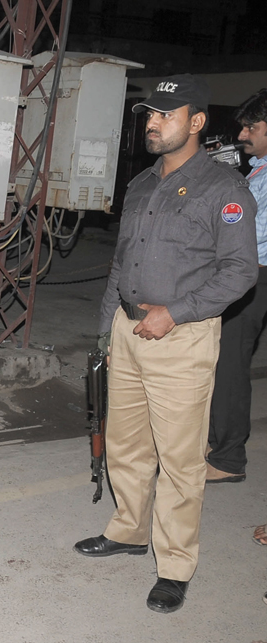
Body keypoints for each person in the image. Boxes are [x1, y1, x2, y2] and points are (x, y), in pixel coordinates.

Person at [74, 74, 258, 614]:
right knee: (126, 446)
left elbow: (240, 271)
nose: (152, 123)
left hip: (181, 338)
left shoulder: (224, 190)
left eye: (165, 114)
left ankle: (175, 565)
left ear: (196, 122)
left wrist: (174, 314)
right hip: (128, 334)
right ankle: (129, 531)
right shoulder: (141, 185)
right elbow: (120, 265)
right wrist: (107, 330)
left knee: (180, 461)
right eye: (149, 114)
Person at [207, 89, 267, 483]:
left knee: (230, 364)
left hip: (254, 274)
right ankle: (216, 442)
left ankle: (228, 459)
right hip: (244, 271)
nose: (243, 134)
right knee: (218, 360)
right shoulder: (259, 166)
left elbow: (248, 228)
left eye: (252, 126)